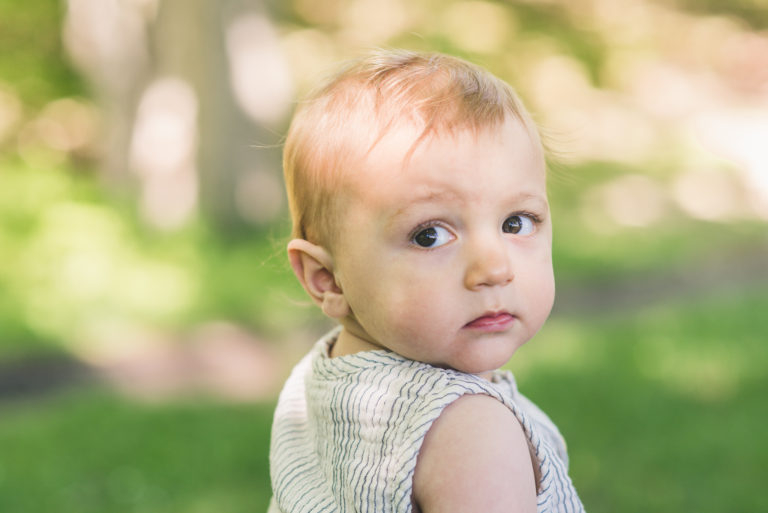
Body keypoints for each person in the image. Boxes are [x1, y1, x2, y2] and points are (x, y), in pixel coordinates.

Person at [267, 49, 585, 513]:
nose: (494, 268)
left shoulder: (316, 383)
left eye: (516, 222)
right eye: (430, 235)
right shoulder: (471, 431)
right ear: (327, 279)